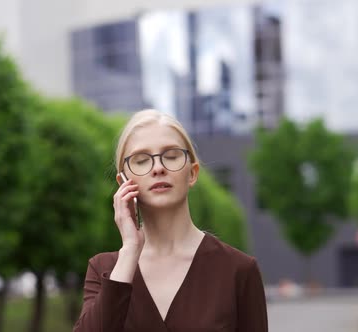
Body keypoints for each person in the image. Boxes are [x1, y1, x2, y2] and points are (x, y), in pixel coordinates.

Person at [73, 109, 268, 332]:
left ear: (192, 173)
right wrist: (130, 251)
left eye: (171, 156)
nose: (158, 168)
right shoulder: (104, 270)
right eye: (141, 160)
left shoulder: (239, 270)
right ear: (123, 182)